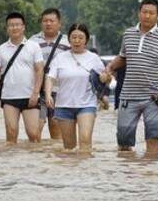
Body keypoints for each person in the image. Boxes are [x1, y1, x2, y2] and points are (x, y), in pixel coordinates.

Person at [101, 0, 158, 155]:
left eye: (151, 13)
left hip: (153, 97)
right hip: (128, 95)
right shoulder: (128, 34)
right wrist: (110, 67)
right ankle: (130, 174)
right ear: (139, 13)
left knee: (152, 137)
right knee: (123, 141)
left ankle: (151, 174)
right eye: (144, 12)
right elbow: (123, 57)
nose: (147, 16)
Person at [45, 24, 110, 152]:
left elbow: (107, 78)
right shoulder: (60, 58)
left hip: (86, 104)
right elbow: (50, 78)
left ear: (86, 39)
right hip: (64, 105)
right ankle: (72, 170)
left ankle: (85, 169)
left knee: (85, 140)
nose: (77, 41)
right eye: (74, 37)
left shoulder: (94, 58)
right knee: (69, 147)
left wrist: (105, 77)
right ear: (69, 39)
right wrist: (48, 95)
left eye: (81, 37)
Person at [0, 12, 44, 143]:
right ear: (7, 28)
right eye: (11, 25)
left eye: (17, 25)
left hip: (30, 96)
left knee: (33, 134)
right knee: (11, 133)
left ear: (23, 27)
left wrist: (35, 93)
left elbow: (39, 70)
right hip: (9, 97)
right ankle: (11, 162)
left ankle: (33, 161)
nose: (14, 28)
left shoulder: (33, 46)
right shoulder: (1, 49)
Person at [29, 8, 70, 140]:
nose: (48, 24)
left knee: (56, 129)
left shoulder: (68, 41)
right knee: (35, 130)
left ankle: (53, 159)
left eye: (52, 21)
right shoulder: (32, 41)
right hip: (37, 90)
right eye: (45, 21)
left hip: (60, 91)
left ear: (59, 23)